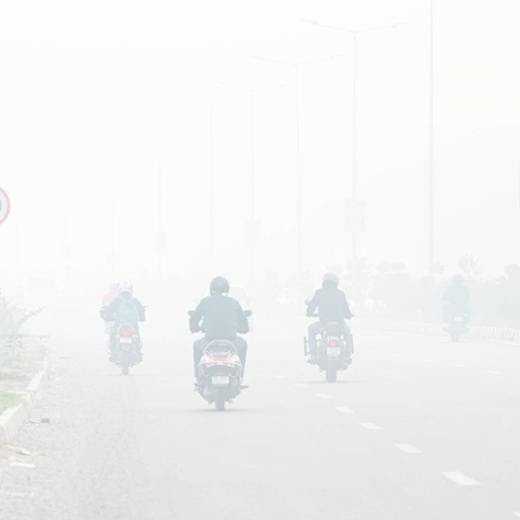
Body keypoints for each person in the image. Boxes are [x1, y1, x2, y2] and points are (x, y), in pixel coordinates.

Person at [190, 276, 250, 377]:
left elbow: (194, 319)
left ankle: (198, 375)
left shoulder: (205, 302)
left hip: (209, 340)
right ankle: (240, 375)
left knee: (196, 345)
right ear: (227, 289)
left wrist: (195, 328)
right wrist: (240, 329)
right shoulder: (234, 302)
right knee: (243, 344)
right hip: (232, 341)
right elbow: (244, 326)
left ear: (211, 289)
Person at [306, 273, 354, 363]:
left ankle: (312, 353)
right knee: (347, 332)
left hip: (324, 324)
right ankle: (348, 353)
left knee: (311, 329)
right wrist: (349, 315)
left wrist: (309, 313)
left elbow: (311, 306)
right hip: (339, 324)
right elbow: (346, 310)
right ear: (336, 282)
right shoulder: (341, 294)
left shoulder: (319, 292)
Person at [100, 282, 145, 361]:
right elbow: (141, 310)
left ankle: (113, 353)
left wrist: (108, 318)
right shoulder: (134, 300)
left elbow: (110, 310)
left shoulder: (117, 300)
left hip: (119, 324)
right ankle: (138, 351)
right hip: (132, 324)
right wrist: (142, 318)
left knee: (113, 335)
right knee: (137, 336)